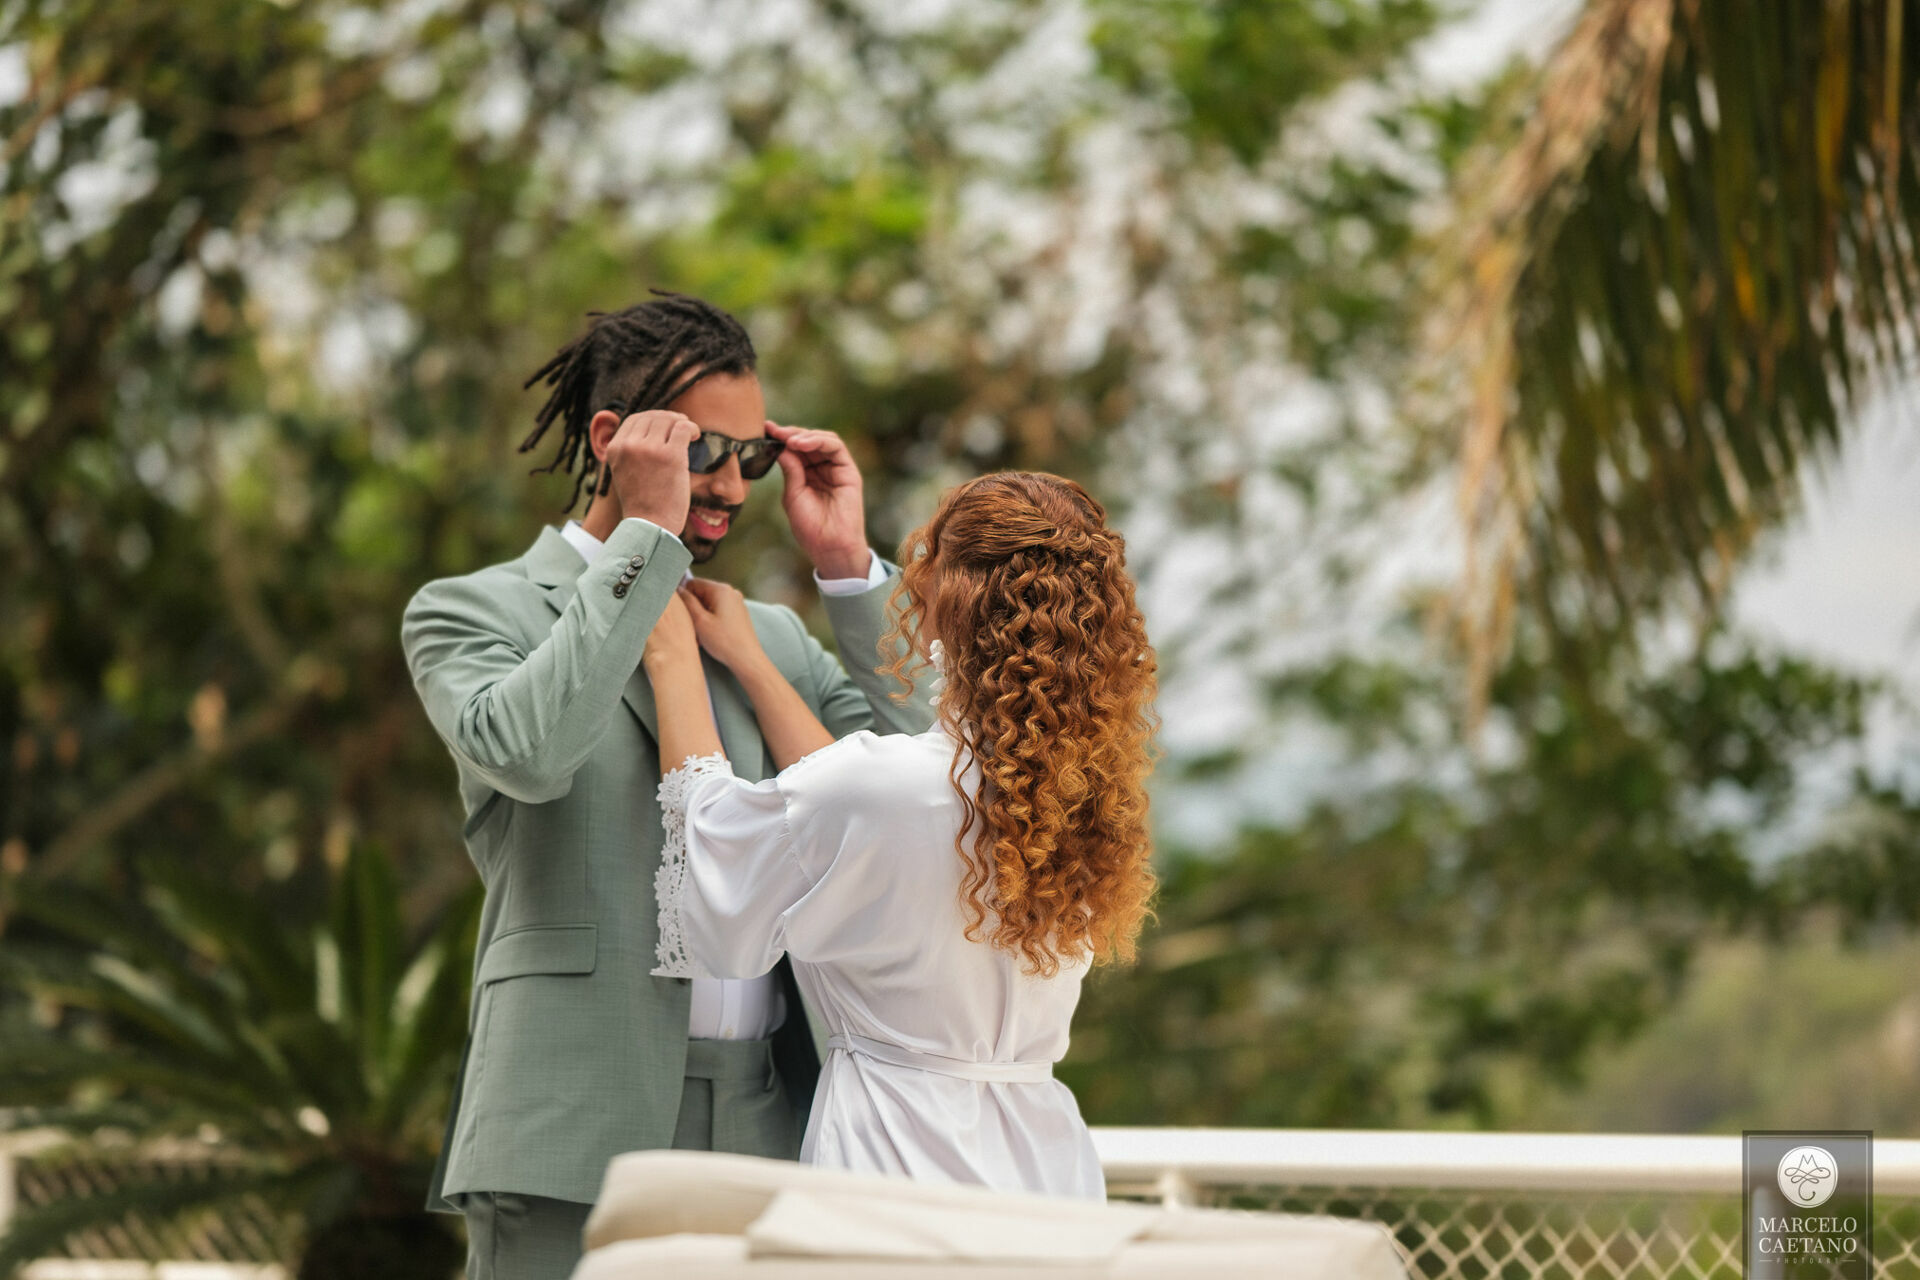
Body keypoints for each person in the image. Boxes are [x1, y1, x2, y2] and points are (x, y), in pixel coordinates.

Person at [399, 291, 933, 1280]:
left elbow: (928, 781)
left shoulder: (765, 636)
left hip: (776, 1126)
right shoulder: (471, 611)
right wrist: (648, 539)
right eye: (703, 452)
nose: (731, 484)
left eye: (752, 457)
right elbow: (527, 750)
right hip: (572, 1124)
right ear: (616, 439)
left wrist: (849, 568)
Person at [644, 470, 1159, 1200]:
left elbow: (717, 852)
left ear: (945, 599)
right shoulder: (1071, 805)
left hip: (895, 1167)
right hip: (1045, 1175)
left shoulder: (882, 789)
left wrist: (671, 661)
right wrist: (753, 663)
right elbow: (842, 809)